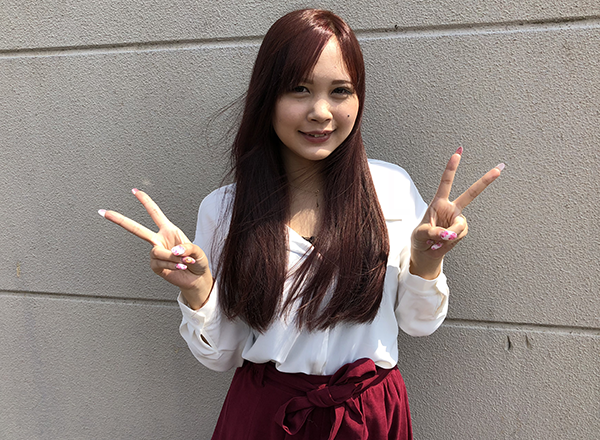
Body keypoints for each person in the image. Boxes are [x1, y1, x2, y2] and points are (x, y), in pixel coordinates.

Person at [99, 9, 503, 440]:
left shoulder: (392, 189)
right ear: (267, 97)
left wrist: (426, 261)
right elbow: (221, 356)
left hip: (368, 416)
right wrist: (196, 289)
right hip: (266, 416)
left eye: (341, 91)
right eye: (299, 89)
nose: (321, 112)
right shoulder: (225, 210)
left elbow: (419, 324)